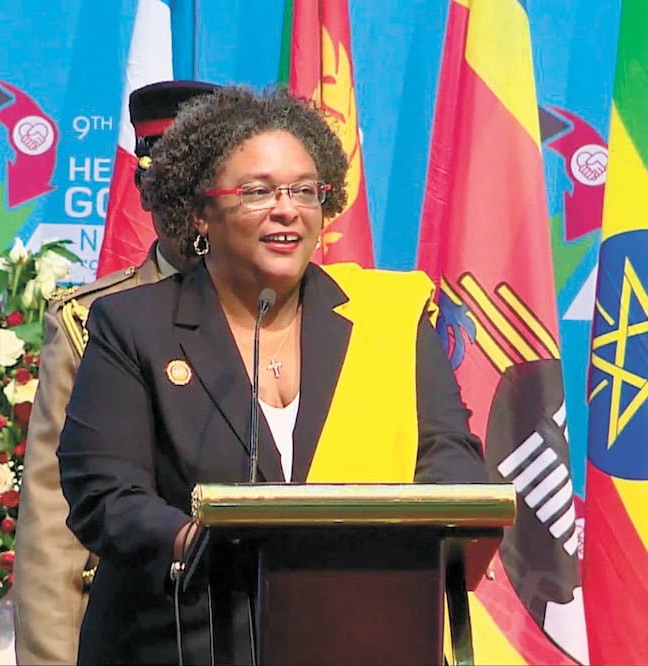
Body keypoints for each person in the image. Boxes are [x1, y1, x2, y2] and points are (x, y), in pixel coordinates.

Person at [57, 85, 488, 665]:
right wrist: (200, 542)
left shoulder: (389, 317)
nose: (287, 209)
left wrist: (400, 541)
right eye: (257, 191)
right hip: (184, 640)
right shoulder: (133, 325)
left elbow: (451, 463)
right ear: (199, 210)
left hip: (362, 634)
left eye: (305, 190)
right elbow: (105, 494)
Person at [13, 80, 219, 666]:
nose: (189, 215)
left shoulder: (292, 312)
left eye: (200, 190)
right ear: (144, 192)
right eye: (169, 191)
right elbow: (55, 522)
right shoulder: (92, 320)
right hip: (137, 626)